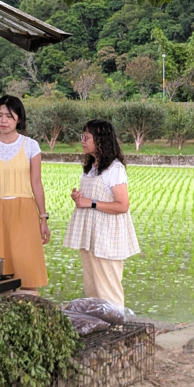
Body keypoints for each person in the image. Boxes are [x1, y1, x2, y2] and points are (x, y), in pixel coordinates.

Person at [0, 96, 50, 292]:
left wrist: (43, 218)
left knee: (26, 268)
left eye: (8, 116)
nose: (3, 121)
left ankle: (29, 313)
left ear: (19, 119)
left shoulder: (31, 146)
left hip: (24, 213)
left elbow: (36, 183)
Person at [63, 120, 140, 307]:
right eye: (83, 136)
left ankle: (116, 330)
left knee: (108, 288)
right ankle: (101, 326)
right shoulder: (91, 167)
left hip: (107, 235)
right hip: (90, 233)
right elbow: (92, 199)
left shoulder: (115, 169)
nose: (83, 140)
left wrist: (91, 202)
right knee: (93, 287)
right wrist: (80, 199)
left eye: (87, 137)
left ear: (100, 140)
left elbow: (122, 205)